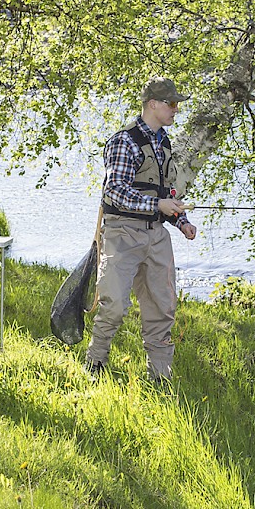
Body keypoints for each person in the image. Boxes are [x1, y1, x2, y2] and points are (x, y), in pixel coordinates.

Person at [85, 77, 198, 381]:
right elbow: (115, 191)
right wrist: (157, 206)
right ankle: (94, 366)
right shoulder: (125, 141)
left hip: (157, 236)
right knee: (115, 306)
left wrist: (181, 221)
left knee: (162, 309)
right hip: (122, 234)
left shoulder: (164, 143)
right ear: (153, 104)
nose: (176, 110)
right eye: (172, 104)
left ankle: (160, 377)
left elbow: (165, 195)